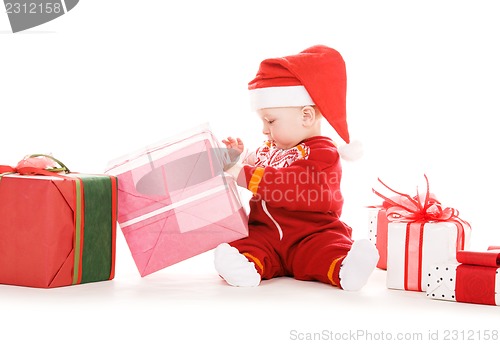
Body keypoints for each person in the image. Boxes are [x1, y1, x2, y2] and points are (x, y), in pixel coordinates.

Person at [214, 45, 378, 291]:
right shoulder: (273, 146)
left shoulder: (322, 154)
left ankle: (346, 267)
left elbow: (287, 184)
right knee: (248, 244)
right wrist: (240, 157)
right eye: (262, 121)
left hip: (311, 234)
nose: (264, 129)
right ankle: (244, 267)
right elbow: (259, 162)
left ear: (306, 116)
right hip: (267, 234)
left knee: (325, 250)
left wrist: (238, 172)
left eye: (270, 121)